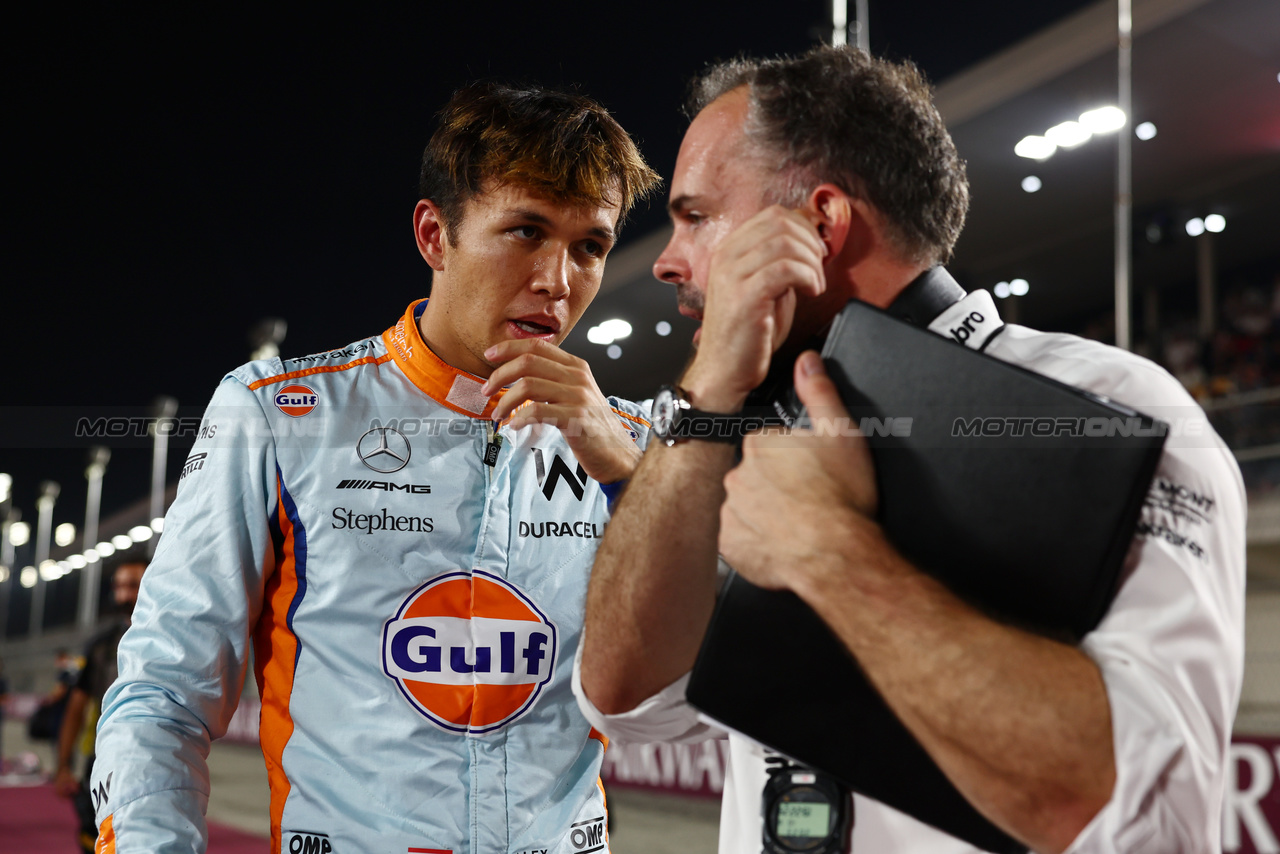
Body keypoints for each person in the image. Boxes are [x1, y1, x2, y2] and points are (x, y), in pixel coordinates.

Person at [574, 46, 1245, 854]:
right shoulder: (739, 436)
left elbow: (1153, 819)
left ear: (818, 224)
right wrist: (706, 394)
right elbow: (624, 701)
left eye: (696, 216)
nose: (670, 259)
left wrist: (828, 552)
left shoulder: (1109, 409)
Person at [91, 82, 660, 853]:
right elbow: (165, 695)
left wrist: (629, 474)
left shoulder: (631, 443)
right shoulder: (280, 414)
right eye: (526, 231)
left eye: (590, 245)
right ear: (435, 236)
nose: (559, 280)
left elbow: (721, 668)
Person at [54, 553, 147, 853]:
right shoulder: (100, 646)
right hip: (104, 760)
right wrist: (64, 766)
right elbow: (75, 709)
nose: (123, 594)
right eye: (119, 585)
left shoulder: (176, 638)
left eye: (132, 585)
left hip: (155, 761)